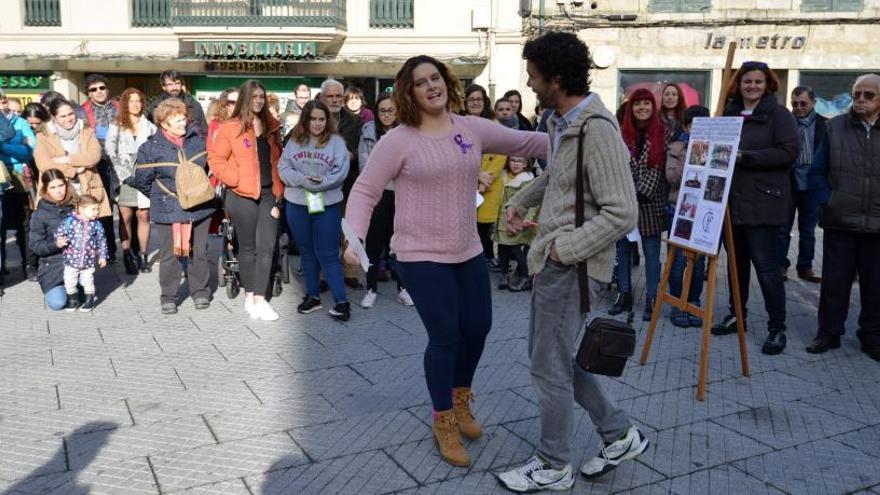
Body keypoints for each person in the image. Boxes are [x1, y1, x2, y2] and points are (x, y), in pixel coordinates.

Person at [344, 55, 547, 467]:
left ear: (446, 82)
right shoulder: (398, 139)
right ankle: (443, 420)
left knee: (478, 327)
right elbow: (366, 190)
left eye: (435, 78)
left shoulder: (469, 127)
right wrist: (355, 239)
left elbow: (529, 143)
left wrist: (582, 133)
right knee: (446, 335)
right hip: (419, 254)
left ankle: (460, 399)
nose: (431, 86)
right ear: (409, 92)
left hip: (467, 248)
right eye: (420, 82)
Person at [497, 32, 648, 492]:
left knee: (547, 366)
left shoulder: (596, 128)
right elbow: (561, 180)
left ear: (557, 79)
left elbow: (623, 211)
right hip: (555, 260)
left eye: (535, 75)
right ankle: (618, 433)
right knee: (556, 359)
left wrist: (567, 248)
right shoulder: (559, 121)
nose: (529, 82)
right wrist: (523, 198)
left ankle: (553, 463)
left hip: (571, 265)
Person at [711, 61, 800, 356]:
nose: (752, 87)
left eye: (758, 82)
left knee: (766, 269)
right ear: (739, 84)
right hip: (730, 204)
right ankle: (738, 316)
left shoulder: (779, 115)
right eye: (747, 81)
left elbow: (788, 153)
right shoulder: (728, 112)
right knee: (736, 269)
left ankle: (777, 328)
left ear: (768, 84)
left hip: (764, 204)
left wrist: (745, 157)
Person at [807, 73, 880, 359]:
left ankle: (872, 338)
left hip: (877, 226)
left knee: (876, 288)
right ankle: (828, 334)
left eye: (868, 95)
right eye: (857, 94)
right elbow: (816, 172)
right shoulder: (835, 127)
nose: (860, 99)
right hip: (841, 222)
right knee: (834, 284)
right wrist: (830, 202)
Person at [129, 98, 216, 315]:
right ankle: (168, 296)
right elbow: (142, 180)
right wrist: (162, 197)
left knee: (199, 251)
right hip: (168, 208)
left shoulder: (198, 141)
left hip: (200, 206)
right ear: (163, 123)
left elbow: (209, 169)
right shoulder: (149, 148)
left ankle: (200, 291)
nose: (182, 123)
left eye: (183, 118)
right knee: (170, 254)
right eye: (176, 120)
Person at [208, 80, 285, 321]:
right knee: (247, 248)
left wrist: (279, 194)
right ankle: (250, 295)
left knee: (267, 246)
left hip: (268, 195)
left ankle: (260, 299)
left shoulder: (272, 127)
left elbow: (277, 160)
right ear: (245, 99)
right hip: (241, 195)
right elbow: (216, 161)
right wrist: (237, 180)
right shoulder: (230, 127)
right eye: (254, 96)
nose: (259, 100)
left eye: (262, 96)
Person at [279, 100, 351, 321]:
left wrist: (319, 183)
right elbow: (283, 167)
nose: (317, 123)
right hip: (298, 204)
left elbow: (341, 172)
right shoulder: (294, 140)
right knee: (306, 251)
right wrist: (302, 180)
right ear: (306, 119)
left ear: (327, 120)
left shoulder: (337, 142)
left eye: (321, 119)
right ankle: (313, 296)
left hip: (327, 205)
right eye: (313, 119)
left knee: (328, 253)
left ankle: (342, 301)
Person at [609, 88, 668, 322]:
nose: (642, 107)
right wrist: (623, 196)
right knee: (622, 251)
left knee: (651, 253)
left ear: (653, 107)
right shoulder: (622, 134)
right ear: (630, 107)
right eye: (637, 104)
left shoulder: (661, 133)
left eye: (646, 103)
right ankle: (624, 294)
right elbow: (614, 166)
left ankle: (652, 298)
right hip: (623, 202)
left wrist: (638, 194)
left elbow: (657, 167)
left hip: (649, 202)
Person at [357, 92, 413, 309]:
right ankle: (370, 289)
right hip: (378, 194)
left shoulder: (407, 131)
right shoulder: (368, 132)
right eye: (382, 111)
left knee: (399, 244)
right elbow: (366, 167)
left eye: (391, 110)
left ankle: (403, 288)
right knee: (374, 244)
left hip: (402, 195)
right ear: (376, 112)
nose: (387, 115)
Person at [666, 105, 710, 327]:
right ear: (686, 126)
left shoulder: (715, 148)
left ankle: (693, 301)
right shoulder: (676, 147)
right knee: (678, 261)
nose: (698, 130)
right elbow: (672, 178)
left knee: (698, 263)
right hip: (679, 210)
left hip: (703, 212)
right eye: (694, 126)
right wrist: (691, 157)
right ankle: (676, 303)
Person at [105, 88, 157, 275]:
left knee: (144, 215)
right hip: (123, 176)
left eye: (139, 101)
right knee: (125, 217)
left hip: (144, 175)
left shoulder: (150, 126)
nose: (136, 104)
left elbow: (155, 151)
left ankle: (143, 255)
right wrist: (126, 174)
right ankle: (127, 253)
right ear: (125, 104)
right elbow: (111, 152)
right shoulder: (116, 125)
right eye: (131, 101)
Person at [34, 99, 109, 227]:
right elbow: (43, 164)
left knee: (90, 232)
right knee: (62, 232)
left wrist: (67, 159)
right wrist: (73, 170)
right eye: (62, 116)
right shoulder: (44, 136)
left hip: (87, 187)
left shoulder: (86, 131)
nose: (68, 119)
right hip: (59, 190)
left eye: (71, 114)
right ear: (54, 117)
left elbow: (94, 156)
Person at [778, 86, 826, 283]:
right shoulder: (785, 123)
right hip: (789, 184)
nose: (798, 107)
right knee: (782, 229)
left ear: (813, 102)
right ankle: (780, 266)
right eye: (795, 104)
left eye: (803, 103)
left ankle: (805, 267)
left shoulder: (825, 125)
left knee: (808, 231)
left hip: (813, 186)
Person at [320, 78, 364, 289]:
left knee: (349, 230)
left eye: (339, 96)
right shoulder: (312, 117)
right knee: (322, 231)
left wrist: (352, 155)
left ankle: (348, 273)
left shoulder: (355, 122)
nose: (335, 100)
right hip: (318, 188)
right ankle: (322, 276)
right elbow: (291, 142)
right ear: (322, 98)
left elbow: (364, 151)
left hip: (348, 185)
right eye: (331, 96)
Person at [464, 84, 505, 271]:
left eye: (479, 99)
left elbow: (501, 154)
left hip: (489, 184)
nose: (475, 103)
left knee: (484, 225)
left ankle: (486, 257)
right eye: (471, 99)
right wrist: (475, 175)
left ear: (485, 102)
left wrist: (485, 177)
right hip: (464, 182)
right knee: (465, 222)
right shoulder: (458, 123)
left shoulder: (493, 125)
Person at [82, 74, 121, 264]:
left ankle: (132, 251)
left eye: (102, 88)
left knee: (126, 209)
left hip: (120, 162)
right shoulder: (82, 111)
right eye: (93, 89)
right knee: (102, 208)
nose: (98, 92)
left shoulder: (119, 107)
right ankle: (108, 250)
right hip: (98, 164)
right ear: (88, 93)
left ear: (107, 89)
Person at [0, 89, 38, 279]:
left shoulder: (21, 123)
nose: (2, 104)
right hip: (1, 178)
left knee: (26, 224)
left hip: (21, 178)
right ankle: (2, 266)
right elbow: (21, 148)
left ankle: (29, 265)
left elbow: (28, 152)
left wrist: (3, 147)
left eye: (3, 100)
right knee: (2, 225)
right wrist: (17, 147)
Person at [29, 169, 76, 310]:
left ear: (66, 185)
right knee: (57, 303)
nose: (58, 191)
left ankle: (74, 287)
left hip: (76, 265)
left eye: (61, 186)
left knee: (82, 294)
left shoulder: (77, 206)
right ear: (45, 189)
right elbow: (35, 245)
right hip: (53, 267)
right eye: (53, 187)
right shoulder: (39, 214)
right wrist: (55, 244)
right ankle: (59, 289)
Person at [56, 193, 107, 312]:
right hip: (71, 259)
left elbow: (102, 241)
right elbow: (59, 232)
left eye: (97, 209)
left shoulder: (96, 225)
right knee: (69, 280)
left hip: (89, 260)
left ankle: (89, 300)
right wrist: (60, 240)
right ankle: (72, 299)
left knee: (87, 280)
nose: (96, 212)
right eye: (93, 209)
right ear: (81, 209)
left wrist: (103, 256)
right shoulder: (69, 221)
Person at [494, 156, 537, 292]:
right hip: (501, 219)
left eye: (520, 161)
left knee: (515, 248)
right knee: (502, 247)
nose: (515, 164)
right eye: (513, 160)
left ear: (526, 164)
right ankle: (504, 274)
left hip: (517, 219)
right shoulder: (503, 175)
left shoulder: (527, 179)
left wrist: (528, 218)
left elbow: (533, 202)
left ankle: (526, 276)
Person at [147, 70, 209, 136]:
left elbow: (204, 131)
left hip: (190, 144)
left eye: (177, 83)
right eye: (170, 84)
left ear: (181, 85)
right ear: (163, 87)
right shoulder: (156, 106)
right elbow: (150, 131)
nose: (174, 87)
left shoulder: (193, 105)